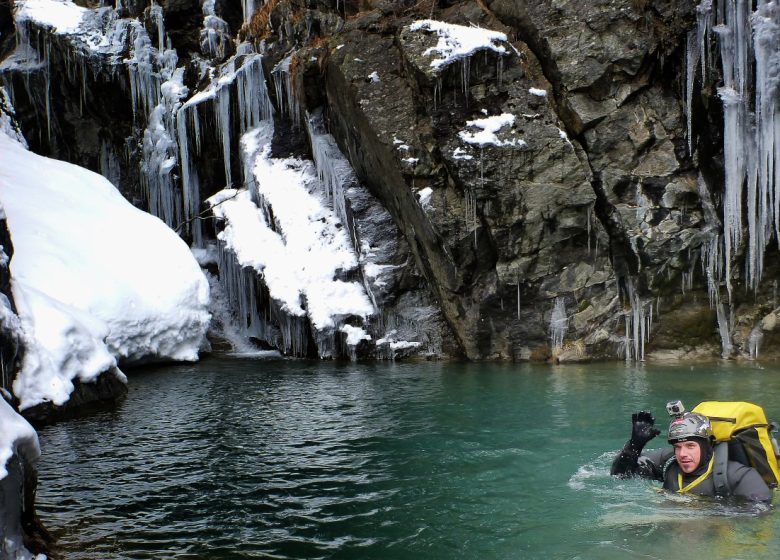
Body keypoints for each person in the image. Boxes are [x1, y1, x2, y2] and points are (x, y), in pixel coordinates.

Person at [611, 409, 773, 503]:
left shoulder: (739, 475)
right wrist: (633, 447)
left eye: (690, 446)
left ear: (706, 445)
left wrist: (697, 511)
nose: (683, 454)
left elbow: (760, 514)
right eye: (678, 447)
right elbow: (620, 475)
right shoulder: (670, 462)